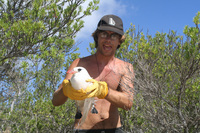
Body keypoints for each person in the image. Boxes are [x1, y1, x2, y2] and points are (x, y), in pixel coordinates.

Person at [52, 14, 134, 133]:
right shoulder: (79, 64)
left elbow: (128, 103)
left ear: (119, 41)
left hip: (114, 129)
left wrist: (105, 91)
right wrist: (65, 89)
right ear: (97, 37)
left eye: (114, 36)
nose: (108, 39)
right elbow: (55, 101)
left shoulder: (126, 67)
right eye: (104, 34)